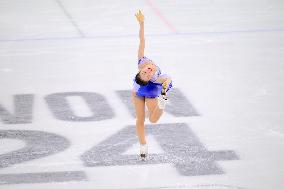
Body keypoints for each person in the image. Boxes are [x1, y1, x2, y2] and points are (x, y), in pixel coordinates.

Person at [132, 10, 173, 160]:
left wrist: (142, 23)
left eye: (145, 73)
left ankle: (161, 105)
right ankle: (143, 145)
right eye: (147, 74)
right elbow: (167, 79)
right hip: (137, 91)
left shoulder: (143, 63)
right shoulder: (151, 76)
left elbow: (142, 41)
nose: (148, 72)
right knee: (140, 119)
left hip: (149, 90)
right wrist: (163, 88)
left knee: (153, 120)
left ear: (141, 69)